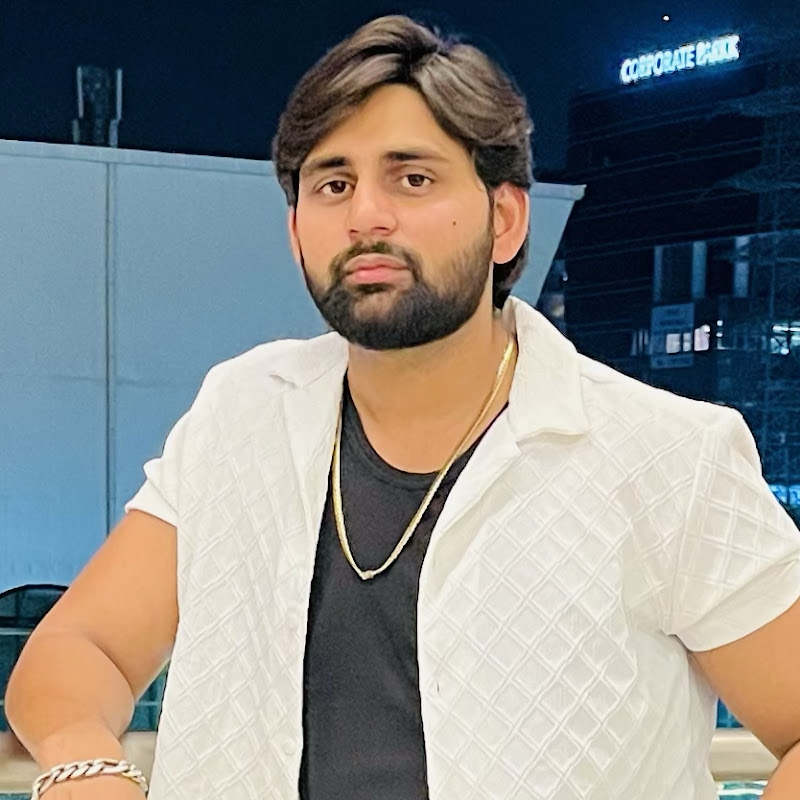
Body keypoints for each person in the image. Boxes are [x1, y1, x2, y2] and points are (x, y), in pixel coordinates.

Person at [6, 13, 800, 800]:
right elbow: (81, 647)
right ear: (296, 232)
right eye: (334, 184)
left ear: (505, 219)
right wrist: (86, 766)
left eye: (412, 178)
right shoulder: (241, 414)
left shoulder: (665, 459)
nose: (366, 216)